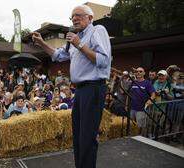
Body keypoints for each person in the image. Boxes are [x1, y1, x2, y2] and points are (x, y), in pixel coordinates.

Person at [32, 4, 111, 168]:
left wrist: (80, 45)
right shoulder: (74, 37)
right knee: (78, 135)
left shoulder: (98, 31)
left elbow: (104, 61)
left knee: (88, 136)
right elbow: (58, 56)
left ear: (90, 18)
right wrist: (41, 43)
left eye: (79, 15)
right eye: (72, 16)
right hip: (80, 90)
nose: (74, 18)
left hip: (94, 87)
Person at [129, 67, 155, 135]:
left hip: (141, 109)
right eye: (137, 71)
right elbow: (129, 95)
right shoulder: (133, 82)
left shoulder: (147, 83)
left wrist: (150, 100)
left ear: (144, 73)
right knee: (131, 126)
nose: (138, 73)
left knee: (140, 127)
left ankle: (140, 140)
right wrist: (126, 105)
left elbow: (153, 95)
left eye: (140, 71)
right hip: (132, 108)